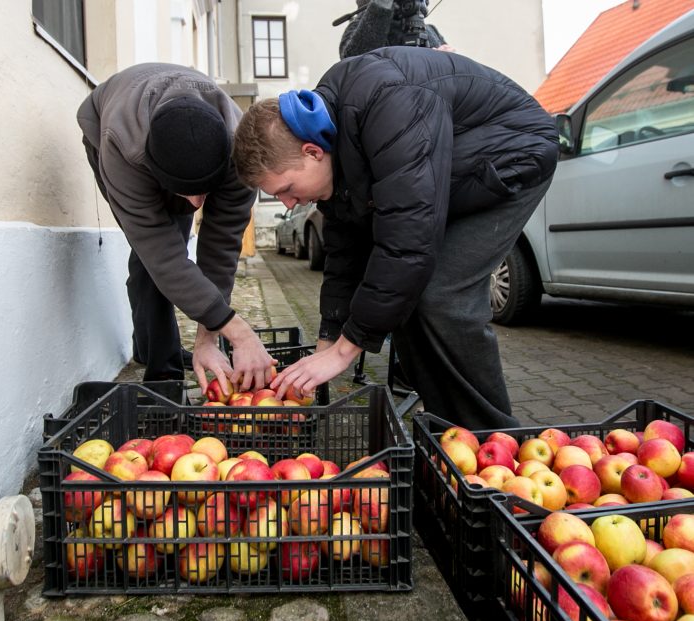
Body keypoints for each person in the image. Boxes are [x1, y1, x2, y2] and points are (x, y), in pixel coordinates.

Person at [232, 47, 559, 430]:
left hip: (514, 153)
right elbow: (344, 253)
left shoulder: (389, 103)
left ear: (313, 151)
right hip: (449, 170)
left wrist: (345, 351)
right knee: (402, 298)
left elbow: (409, 239)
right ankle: (447, 428)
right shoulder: (339, 148)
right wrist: (329, 337)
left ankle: (493, 438)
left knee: (441, 294)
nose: (288, 204)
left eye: (287, 188)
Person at [77, 63, 274, 393]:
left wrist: (209, 335)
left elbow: (221, 245)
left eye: (205, 192)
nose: (196, 205)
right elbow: (162, 255)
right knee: (156, 255)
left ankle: (158, 346)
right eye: (186, 193)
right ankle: (162, 368)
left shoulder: (239, 150)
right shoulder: (122, 150)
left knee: (178, 248)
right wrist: (239, 331)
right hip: (105, 126)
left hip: (192, 141)